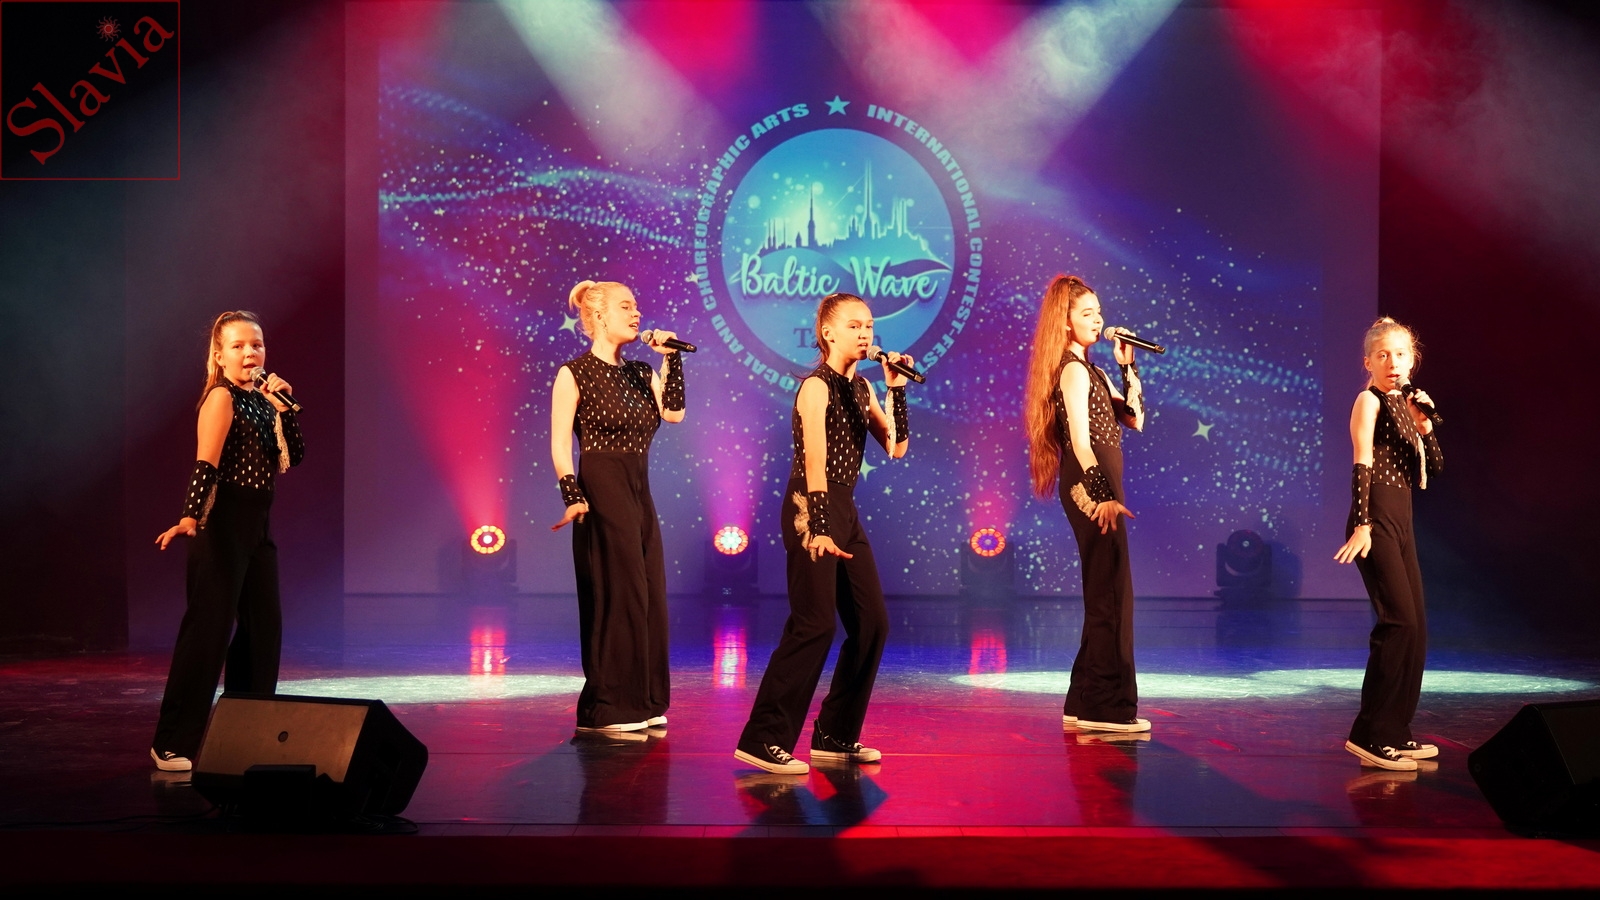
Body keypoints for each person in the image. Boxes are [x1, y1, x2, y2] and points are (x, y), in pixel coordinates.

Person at [734, 292, 911, 775]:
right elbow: (814, 459)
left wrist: (896, 389)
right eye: (854, 325)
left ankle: (835, 734)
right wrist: (818, 524)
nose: (865, 333)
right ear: (828, 333)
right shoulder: (816, 386)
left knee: (872, 624)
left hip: (844, 507)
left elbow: (896, 447)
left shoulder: (863, 388)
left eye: (869, 325)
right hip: (810, 504)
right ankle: (763, 738)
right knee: (814, 624)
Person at [151, 311, 305, 771]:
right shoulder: (221, 397)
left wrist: (285, 409)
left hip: (258, 528)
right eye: (238, 346)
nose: (249, 353)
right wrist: (189, 516)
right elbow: (206, 463)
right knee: (209, 632)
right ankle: (172, 741)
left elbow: (293, 457)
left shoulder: (264, 400)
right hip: (220, 525)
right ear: (219, 356)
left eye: (256, 344)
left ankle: (245, 737)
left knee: (263, 632)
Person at [550, 280, 686, 733]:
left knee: (648, 594)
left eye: (637, 305)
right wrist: (573, 496)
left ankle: (644, 699)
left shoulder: (642, 372)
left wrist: (671, 358)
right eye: (625, 306)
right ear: (598, 315)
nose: (636, 313)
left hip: (638, 489)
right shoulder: (574, 373)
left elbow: (674, 413)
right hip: (601, 489)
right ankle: (607, 707)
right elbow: (560, 444)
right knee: (619, 593)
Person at [1023, 274, 1149, 733]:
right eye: (1088, 313)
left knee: (1105, 591)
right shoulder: (1072, 371)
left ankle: (1083, 701)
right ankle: (1106, 708)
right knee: (1111, 594)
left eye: (1100, 312)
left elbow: (1134, 419)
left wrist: (1127, 367)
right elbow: (1080, 441)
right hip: (1091, 486)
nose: (1099, 320)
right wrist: (1103, 497)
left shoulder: (1092, 370)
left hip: (1102, 484)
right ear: (1065, 321)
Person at [1334, 317, 1443, 771]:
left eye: (1400, 354)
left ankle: (1396, 729)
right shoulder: (1369, 400)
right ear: (1369, 363)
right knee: (1397, 623)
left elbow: (1433, 468)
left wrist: (1425, 426)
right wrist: (1362, 524)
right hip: (1375, 521)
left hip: (1401, 522)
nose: (1392, 362)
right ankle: (1370, 735)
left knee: (1415, 628)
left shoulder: (1407, 405)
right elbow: (1362, 463)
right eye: (1383, 355)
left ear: (1412, 360)